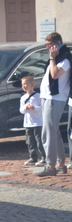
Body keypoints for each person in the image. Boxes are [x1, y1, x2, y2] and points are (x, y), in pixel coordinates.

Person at [36, 32, 71, 177]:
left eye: (49, 45)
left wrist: (52, 58)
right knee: (54, 132)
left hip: (55, 98)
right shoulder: (58, 57)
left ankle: (50, 165)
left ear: (57, 44)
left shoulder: (65, 58)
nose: (47, 48)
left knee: (48, 132)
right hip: (48, 97)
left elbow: (55, 74)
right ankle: (60, 164)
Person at [20, 75, 45, 166]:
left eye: (26, 84)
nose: (24, 86)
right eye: (23, 84)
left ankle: (44, 157)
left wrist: (34, 108)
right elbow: (21, 110)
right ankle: (33, 157)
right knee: (30, 142)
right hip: (28, 123)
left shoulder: (38, 96)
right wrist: (25, 108)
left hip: (38, 122)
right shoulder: (23, 98)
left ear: (32, 84)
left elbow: (42, 107)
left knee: (39, 141)